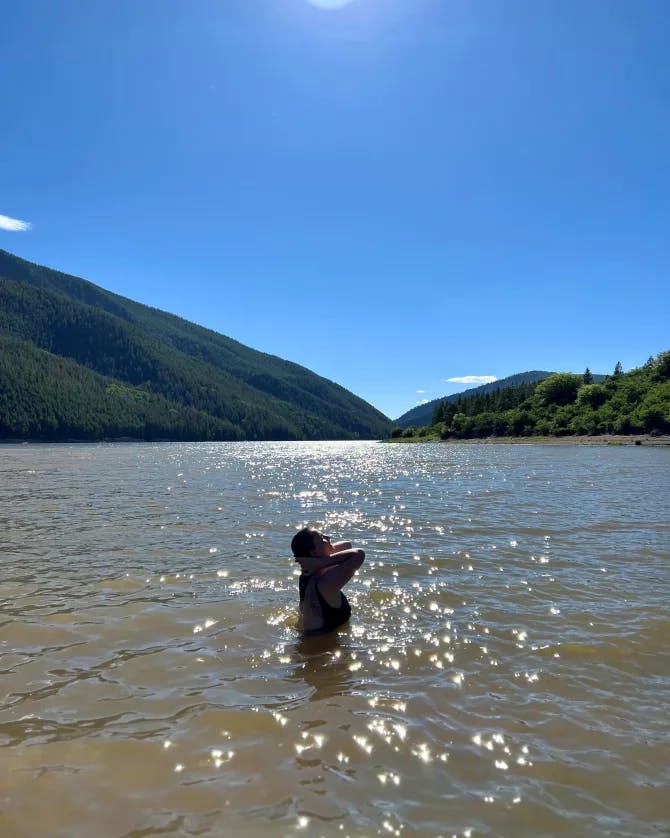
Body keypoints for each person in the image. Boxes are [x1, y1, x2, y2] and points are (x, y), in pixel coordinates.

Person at [291, 527, 365, 634]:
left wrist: (322, 558)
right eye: (322, 538)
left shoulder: (306, 573)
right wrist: (321, 562)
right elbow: (359, 554)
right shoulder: (324, 583)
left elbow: (347, 545)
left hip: (310, 642)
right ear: (314, 553)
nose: (328, 538)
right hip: (319, 647)